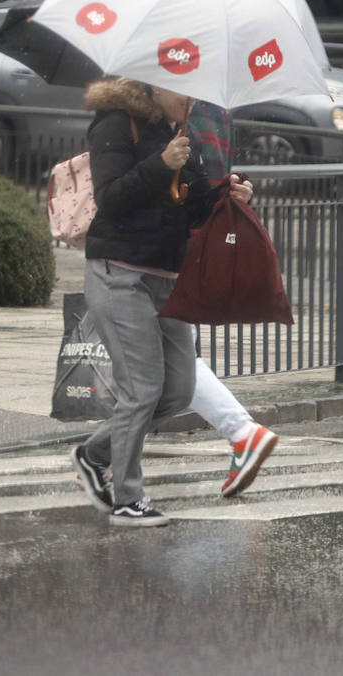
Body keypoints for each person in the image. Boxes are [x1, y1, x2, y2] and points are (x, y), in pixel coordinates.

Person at [70, 78, 253, 526]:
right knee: (142, 390)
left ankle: (93, 455)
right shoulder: (116, 125)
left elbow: (189, 207)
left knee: (177, 389)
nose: (190, 101)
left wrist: (226, 194)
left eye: (194, 94)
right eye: (182, 93)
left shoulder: (179, 133)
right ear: (154, 87)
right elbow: (110, 198)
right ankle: (128, 499)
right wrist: (160, 162)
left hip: (167, 277)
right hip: (119, 273)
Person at [185, 102, 278, 498]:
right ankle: (110, 459)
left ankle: (242, 431)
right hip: (191, 248)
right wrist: (234, 187)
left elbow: (196, 184)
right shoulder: (213, 107)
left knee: (167, 360)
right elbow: (213, 179)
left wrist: (230, 188)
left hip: (169, 252)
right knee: (150, 363)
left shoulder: (182, 107)